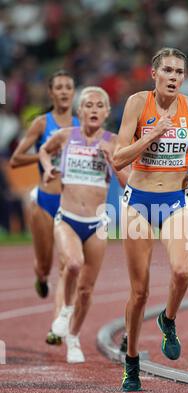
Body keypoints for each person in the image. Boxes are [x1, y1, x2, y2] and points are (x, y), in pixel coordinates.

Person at [113, 47, 188, 392]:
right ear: (154, 74)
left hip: (176, 200)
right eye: (168, 71)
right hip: (139, 202)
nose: (174, 77)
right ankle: (132, 362)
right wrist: (150, 135)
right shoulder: (136, 103)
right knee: (140, 291)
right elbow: (118, 159)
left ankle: (168, 319)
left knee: (182, 271)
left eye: (179, 72)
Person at [40, 86, 128, 363]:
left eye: (99, 105)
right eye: (88, 105)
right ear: (79, 111)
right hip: (67, 218)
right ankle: (65, 314)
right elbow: (44, 150)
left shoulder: (113, 142)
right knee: (73, 264)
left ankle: (74, 338)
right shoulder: (66, 136)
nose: (93, 109)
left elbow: (127, 183)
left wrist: (113, 161)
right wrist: (49, 168)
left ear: (106, 112)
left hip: (97, 223)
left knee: (87, 289)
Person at [10, 70, 79, 345]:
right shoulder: (42, 123)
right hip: (45, 201)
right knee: (45, 263)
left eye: (68, 87)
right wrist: (44, 155)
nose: (63, 91)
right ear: (51, 93)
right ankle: (40, 276)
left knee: (67, 266)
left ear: (74, 92)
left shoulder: (81, 124)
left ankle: (57, 326)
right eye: (58, 87)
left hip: (71, 203)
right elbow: (16, 159)